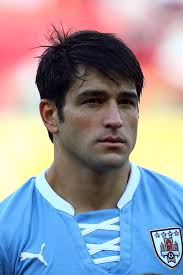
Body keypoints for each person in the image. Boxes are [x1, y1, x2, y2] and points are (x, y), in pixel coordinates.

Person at [0, 27, 182, 275]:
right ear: (50, 115)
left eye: (126, 102)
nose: (115, 119)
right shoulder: (8, 229)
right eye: (93, 101)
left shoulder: (177, 207)